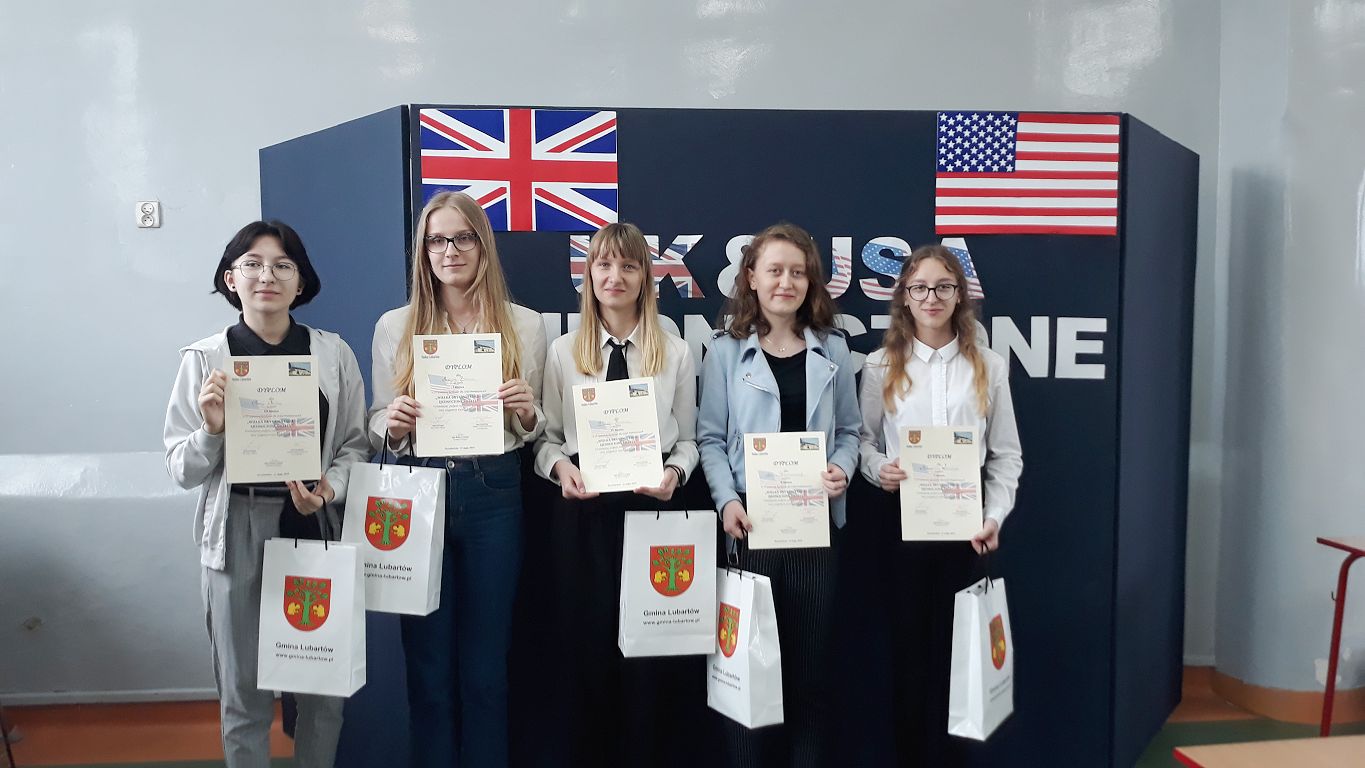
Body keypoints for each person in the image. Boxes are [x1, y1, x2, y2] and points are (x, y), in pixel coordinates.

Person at [163, 220, 369, 768]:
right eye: (252, 264)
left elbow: (355, 444)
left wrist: (329, 489)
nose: (267, 276)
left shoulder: (332, 354)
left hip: (311, 525)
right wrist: (211, 430)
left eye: (282, 265)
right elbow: (180, 468)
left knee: (322, 693)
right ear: (231, 278)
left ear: (301, 282)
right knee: (244, 696)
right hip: (237, 528)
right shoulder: (205, 359)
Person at [368, 190, 546, 768]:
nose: (450, 251)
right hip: (421, 491)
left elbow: (537, 427)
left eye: (463, 238)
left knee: (487, 670)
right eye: (437, 240)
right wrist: (392, 424)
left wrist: (527, 412)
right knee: (428, 670)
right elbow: (377, 423)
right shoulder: (396, 326)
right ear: (424, 251)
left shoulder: (525, 324)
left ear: (482, 245)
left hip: (495, 490)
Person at [535, 221, 700, 766]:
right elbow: (547, 440)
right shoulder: (563, 352)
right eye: (604, 265)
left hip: (651, 509)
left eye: (629, 266)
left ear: (645, 278)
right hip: (584, 515)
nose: (615, 276)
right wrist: (561, 469)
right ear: (588, 275)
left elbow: (690, 440)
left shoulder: (675, 352)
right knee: (586, 654)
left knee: (649, 660)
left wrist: (674, 475)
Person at [696, 222, 860, 767]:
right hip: (750, 531)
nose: (786, 282)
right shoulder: (724, 352)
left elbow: (850, 433)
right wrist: (727, 501)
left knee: (810, 679)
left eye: (797, 272)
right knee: (745, 677)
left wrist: (841, 469)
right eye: (774, 270)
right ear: (751, 277)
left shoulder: (834, 349)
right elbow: (710, 439)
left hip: (815, 531)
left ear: (810, 282)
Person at [857, 244, 1023, 766]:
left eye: (944, 287)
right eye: (921, 287)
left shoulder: (988, 365)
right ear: (905, 296)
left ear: (959, 295)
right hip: (901, 524)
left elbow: (1006, 455)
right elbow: (861, 440)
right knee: (908, 659)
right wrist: (877, 468)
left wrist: (994, 517)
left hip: (966, 529)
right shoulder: (881, 364)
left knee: (962, 660)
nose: (932, 297)